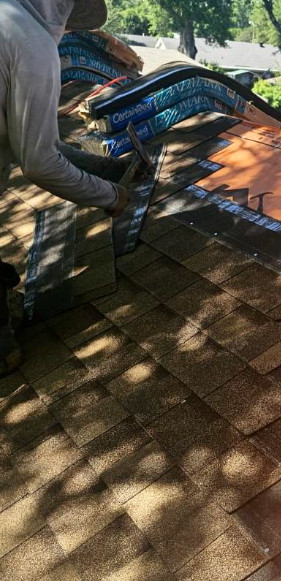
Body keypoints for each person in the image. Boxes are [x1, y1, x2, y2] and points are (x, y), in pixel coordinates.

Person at [0, 0, 130, 375]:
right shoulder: (30, 43)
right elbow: (39, 162)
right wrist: (111, 196)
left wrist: (106, 168)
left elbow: (48, 146)